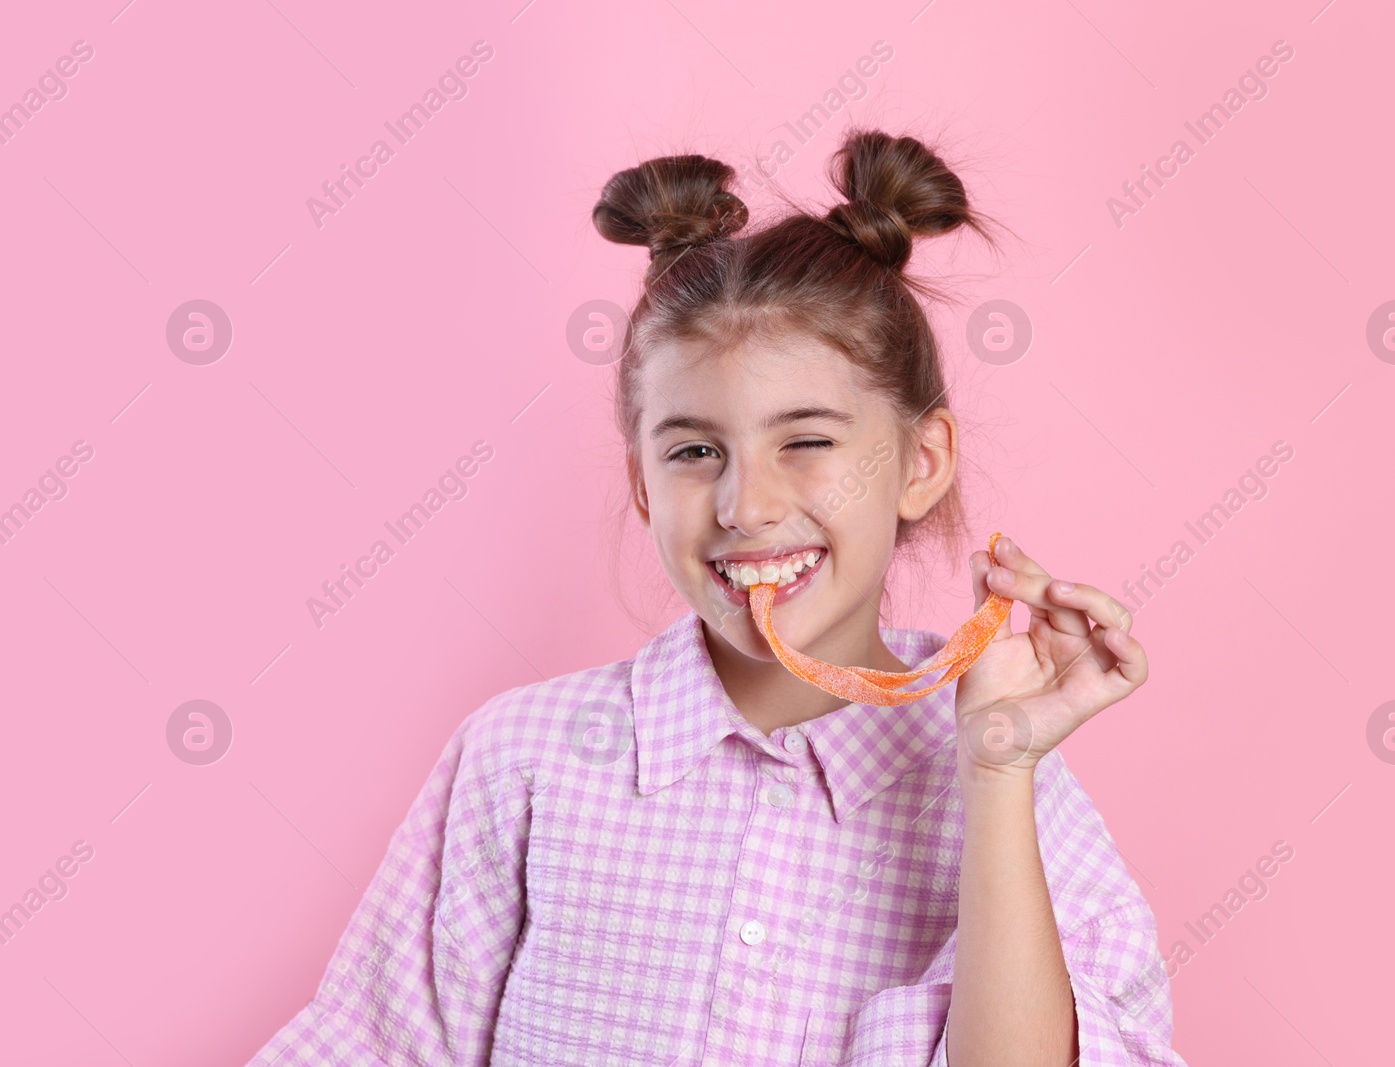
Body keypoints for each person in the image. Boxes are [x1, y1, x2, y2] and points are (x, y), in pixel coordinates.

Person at [246, 128, 1187, 1066]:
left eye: (807, 442)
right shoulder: (524, 761)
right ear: (645, 484)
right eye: (695, 451)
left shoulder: (1005, 783)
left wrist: (994, 771)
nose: (747, 506)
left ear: (921, 461)